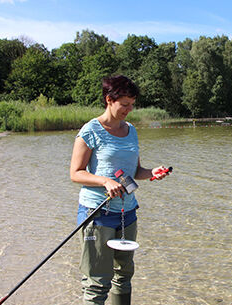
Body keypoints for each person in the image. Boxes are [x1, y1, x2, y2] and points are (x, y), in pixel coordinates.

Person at [70, 75, 170, 305]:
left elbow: (135, 171)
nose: (129, 109)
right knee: (97, 282)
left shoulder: (131, 130)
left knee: (124, 276)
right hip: (97, 213)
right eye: (125, 104)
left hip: (128, 214)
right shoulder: (90, 131)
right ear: (109, 100)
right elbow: (76, 173)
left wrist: (152, 172)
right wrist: (105, 181)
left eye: (132, 104)